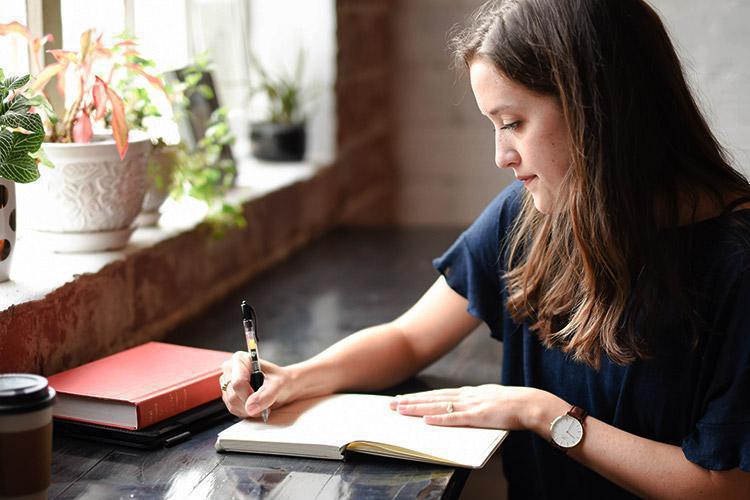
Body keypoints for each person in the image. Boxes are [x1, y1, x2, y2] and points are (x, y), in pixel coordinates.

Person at [221, 0, 750, 497]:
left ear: (600, 109)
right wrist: (294, 378)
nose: (502, 156)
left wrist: (544, 414)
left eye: (514, 123)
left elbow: (723, 487)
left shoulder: (737, 263)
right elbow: (409, 338)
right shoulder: (530, 213)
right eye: (495, 126)